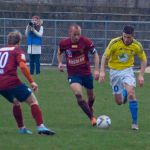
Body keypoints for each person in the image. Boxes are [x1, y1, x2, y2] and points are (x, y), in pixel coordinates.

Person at [0, 31, 55, 135]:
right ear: (19, 41)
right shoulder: (18, 51)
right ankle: (41, 127)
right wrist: (32, 82)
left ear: (8, 41)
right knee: (33, 101)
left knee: (16, 102)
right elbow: (23, 66)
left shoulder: (1, 50)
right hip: (11, 82)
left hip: (0, 85)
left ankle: (22, 129)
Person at [99, 25, 147, 130]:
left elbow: (144, 59)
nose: (126, 39)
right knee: (119, 102)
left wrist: (141, 75)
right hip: (114, 73)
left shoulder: (137, 45)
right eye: (124, 36)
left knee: (131, 93)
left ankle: (134, 123)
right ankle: (124, 93)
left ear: (133, 36)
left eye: (129, 37)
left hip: (127, 70)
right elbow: (104, 57)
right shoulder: (114, 42)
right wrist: (102, 71)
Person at [57, 24, 99, 126]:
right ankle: (92, 118)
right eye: (74, 34)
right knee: (78, 96)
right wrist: (59, 63)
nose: (77, 37)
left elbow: (95, 54)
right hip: (73, 75)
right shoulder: (64, 43)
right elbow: (59, 52)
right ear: (70, 33)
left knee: (91, 97)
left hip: (86, 73)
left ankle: (89, 106)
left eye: (78, 34)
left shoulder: (86, 41)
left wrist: (97, 70)